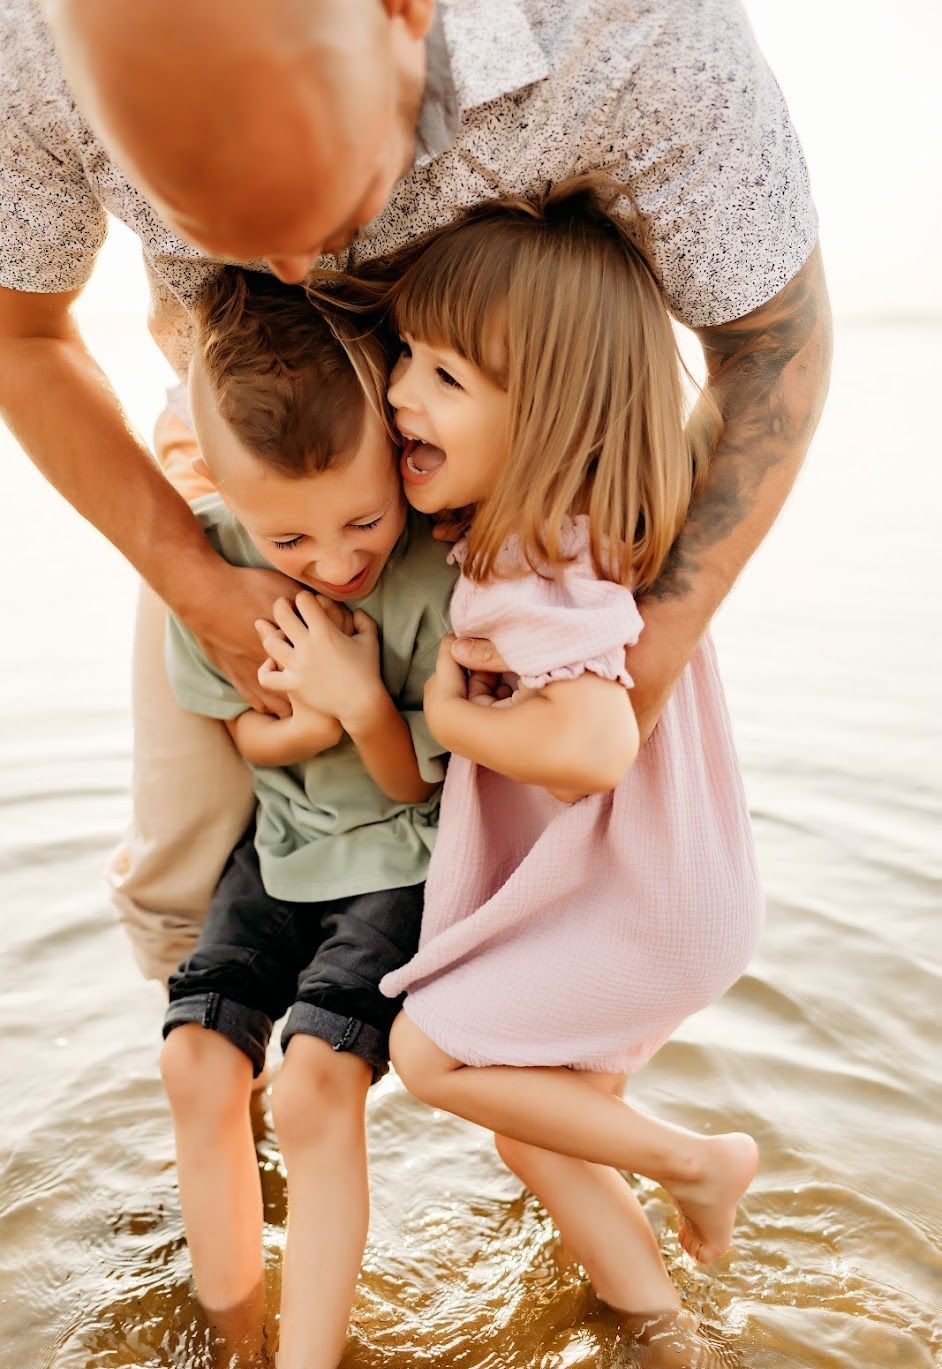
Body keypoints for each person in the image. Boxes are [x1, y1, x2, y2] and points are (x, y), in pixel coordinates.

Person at [0, 0, 830, 982]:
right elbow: (26, 334)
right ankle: (235, 1118)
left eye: (334, 198)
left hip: (515, 514)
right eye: (213, 228)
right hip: (253, 493)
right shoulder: (27, 51)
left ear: (403, 12)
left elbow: (773, 344)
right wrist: (198, 581)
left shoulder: (637, 28)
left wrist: (640, 658)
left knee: (571, 909)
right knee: (182, 892)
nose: (297, 271)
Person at [329, 179, 761, 1337]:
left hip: (643, 898)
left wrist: (453, 717)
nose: (400, 394)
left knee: (430, 1050)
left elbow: (591, 746)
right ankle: (659, 1332)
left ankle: (700, 1162)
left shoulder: (528, 558)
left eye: (446, 378)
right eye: (408, 354)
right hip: (671, 888)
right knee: (539, 1124)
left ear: (553, 418)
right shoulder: (585, 531)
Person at [157, 267, 456, 1369]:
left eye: (362, 521)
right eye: (293, 537)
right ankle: (233, 1351)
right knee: (196, 1059)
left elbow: (418, 783)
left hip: (404, 855)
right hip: (284, 847)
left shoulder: (433, 568)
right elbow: (245, 740)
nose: (336, 562)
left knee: (313, 1083)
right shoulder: (210, 551)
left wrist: (360, 707)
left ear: (395, 451)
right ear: (224, 490)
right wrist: (312, 717)